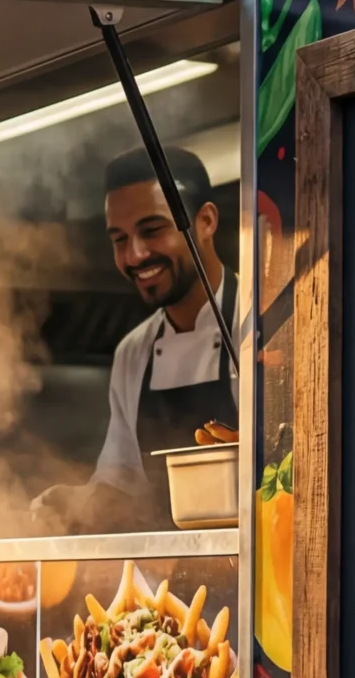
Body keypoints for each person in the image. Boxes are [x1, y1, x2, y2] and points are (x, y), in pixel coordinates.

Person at [36, 147, 241, 532]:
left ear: (206, 222)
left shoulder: (260, 324)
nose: (135, 254)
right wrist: (77, 502)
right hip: (166, 583)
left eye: (152, 230)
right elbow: (123, 482)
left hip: (259, 574)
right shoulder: (134, 352)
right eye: (119, 239)